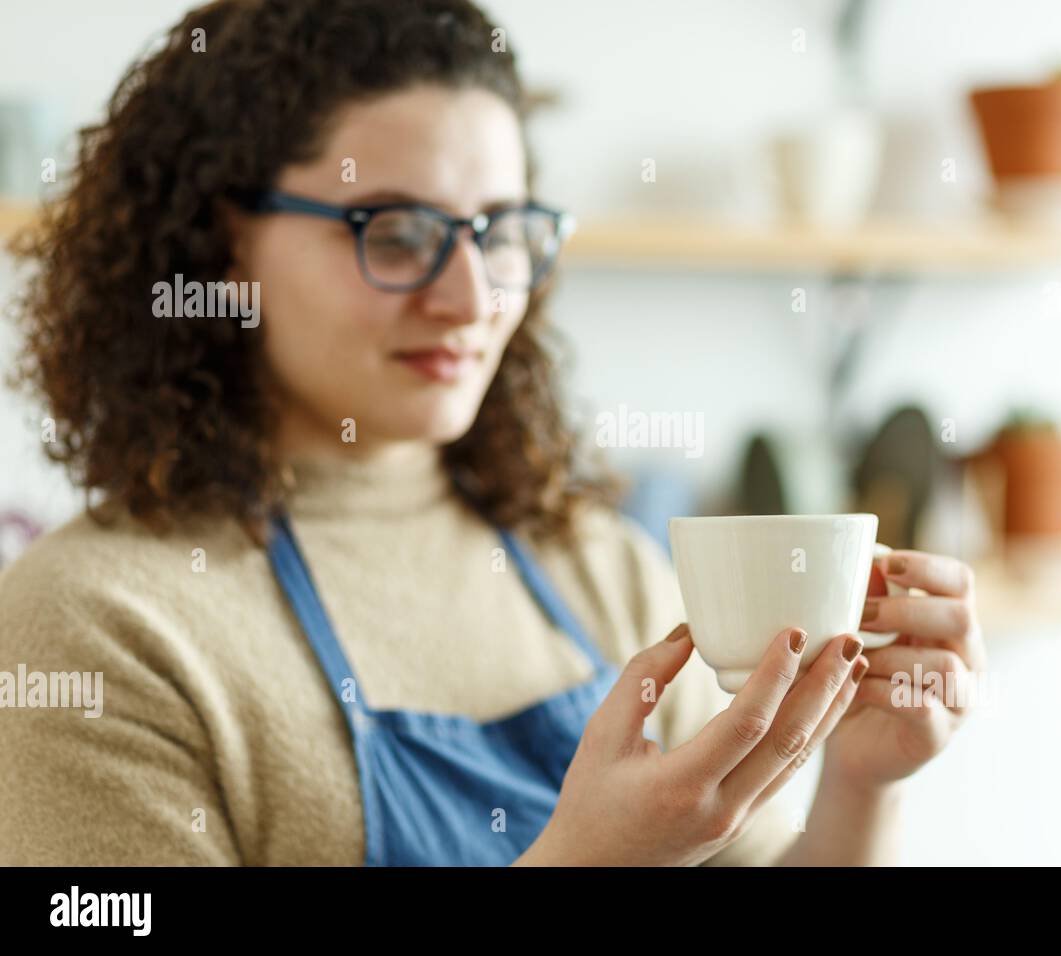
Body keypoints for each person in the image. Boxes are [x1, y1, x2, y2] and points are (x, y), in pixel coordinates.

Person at [0, 0, 985, 866]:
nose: (471, 298)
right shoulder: (96, 623)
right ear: (224, 246)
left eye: (501, 232)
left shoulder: (596, 565)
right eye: (392, 231)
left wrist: (862, 784)